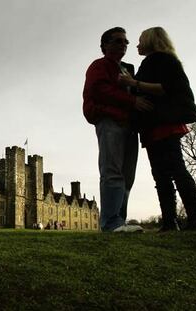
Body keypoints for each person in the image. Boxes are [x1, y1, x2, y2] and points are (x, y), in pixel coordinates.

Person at [119, 27, 196, 231]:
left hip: (165, 123)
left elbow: (166, 87)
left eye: (140, 40)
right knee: (160, 175)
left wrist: (134, 83)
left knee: (177, 170)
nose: (137, 44)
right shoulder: (150, 62)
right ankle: (169, 221)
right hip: (152, 125)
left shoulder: (165, 60)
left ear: (151, 40)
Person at [83, 27, 153, 232]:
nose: (123, 44)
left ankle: (119, 221)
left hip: (130, 125)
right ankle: (111, 222)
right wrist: (132, 101)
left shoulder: (126, 69)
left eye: (126, 42)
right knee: (112, 171)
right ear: (105, 45)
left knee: (127, 175)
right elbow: (99, 90)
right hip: (110, 121)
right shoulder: (99, 65)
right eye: (118, 41)